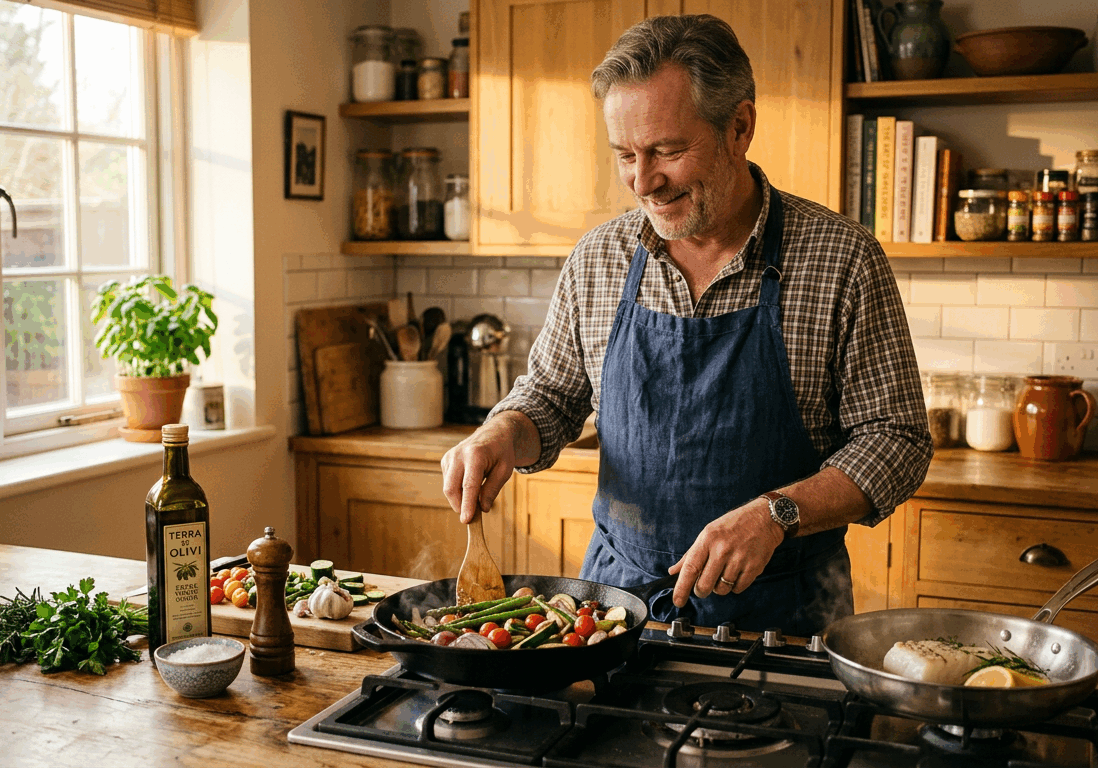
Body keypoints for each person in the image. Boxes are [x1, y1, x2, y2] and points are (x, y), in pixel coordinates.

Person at [441, 14, 932, 636]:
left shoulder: (841, 259)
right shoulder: (599, 258)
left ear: (740, 127)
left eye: (667, 151)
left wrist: (775, 514)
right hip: (613, 614)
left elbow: (898, 440)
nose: (643, 182)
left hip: (781, 618)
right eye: (625, 155)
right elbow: (552, 396)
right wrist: (502, 433)